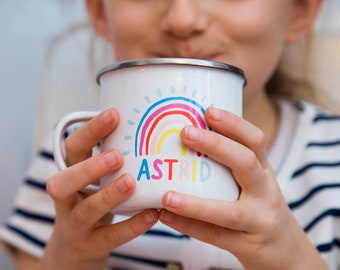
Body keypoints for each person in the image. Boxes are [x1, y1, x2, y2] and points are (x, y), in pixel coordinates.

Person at [1, 0, 339, 269]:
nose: (182, 18)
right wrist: (72, 255)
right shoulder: (72, 162)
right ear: (99, 12)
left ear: (301, 10)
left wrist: (289, 259)